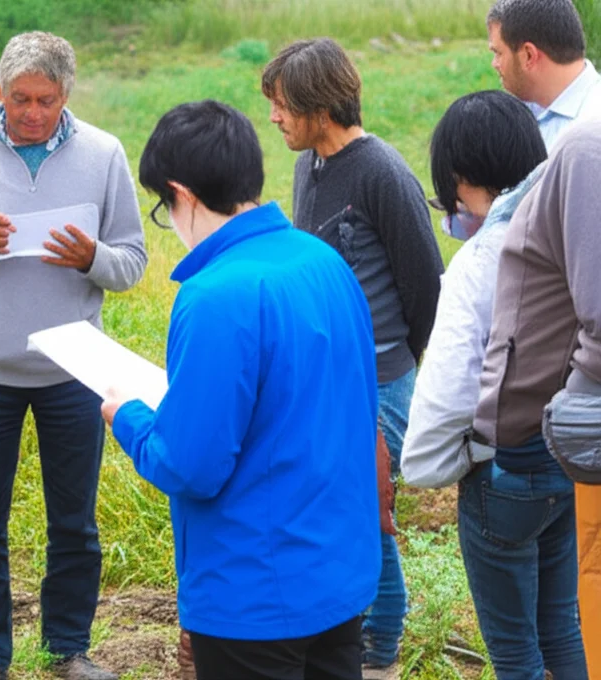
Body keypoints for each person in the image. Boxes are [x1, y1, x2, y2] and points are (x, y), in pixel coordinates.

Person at [102, 99, 380, 680]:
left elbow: (192, 465)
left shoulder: (216, 295)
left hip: (255, 591)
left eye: (163, 207)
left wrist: (127, 417)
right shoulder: (322, 260)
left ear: (182, 194)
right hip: (339, 570)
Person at [0, 31, 146, 680]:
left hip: (75, 371)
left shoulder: (103, 155)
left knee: (74, 520)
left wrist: (91, 258)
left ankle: (68, 647)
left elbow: (131, 262)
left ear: (66, 95)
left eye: (45, 99)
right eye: (20, 99)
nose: (32, 112)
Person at [261, 38, 443, 678]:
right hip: (325, 379)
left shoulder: (382, 171)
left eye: (283, 106)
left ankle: (380, 657)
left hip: (380, 381)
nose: (276, 118)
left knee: (370, 518)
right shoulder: (308, 164)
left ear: (319, 103)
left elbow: (426, 288)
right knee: (338, 514)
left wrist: (397, 370)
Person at [399, 91, 586, 678]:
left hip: (500, 473)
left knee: (513, 651)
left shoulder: (479, 262)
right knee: (564, 624)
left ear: (460, 177)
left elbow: (449, 390)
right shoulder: (568, 231)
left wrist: (434, 464)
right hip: (568, 455)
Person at [474, 118, 601, 678]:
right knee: (563, 620)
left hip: (532, 443)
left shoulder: (583, 151)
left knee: (516, 645)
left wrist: (574, 406)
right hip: (558, 448)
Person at [487, 0, 601, 150]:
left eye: (498, 53)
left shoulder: (591, 134)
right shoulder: (520, 111)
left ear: (528, 55)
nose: (494, 63)